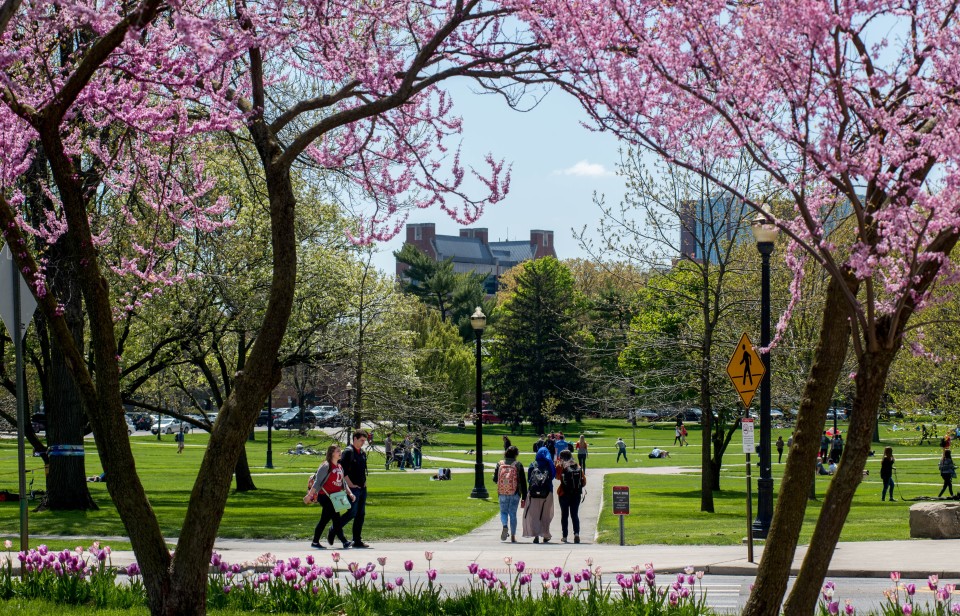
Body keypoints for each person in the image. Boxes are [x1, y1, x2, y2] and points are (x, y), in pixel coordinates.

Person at [305, 444, 355, 550]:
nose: (340, 453)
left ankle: (315, 541)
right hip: (325, 496)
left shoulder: (339, 466)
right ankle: (344, 541)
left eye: (340, 451)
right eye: (337, 451)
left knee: (325, 520)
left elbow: (343, 483)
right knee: (336, 519)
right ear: (332, 453)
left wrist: (350, 493)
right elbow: (318, 482)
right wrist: (309, 495)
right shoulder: (326, 466)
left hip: (336, 497)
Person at [336, 431, 372, 548]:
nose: (363, 443)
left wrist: (364, 483)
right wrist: (350, 485)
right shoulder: (348, 452)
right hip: (352, 488)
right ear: (355, 439)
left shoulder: (362, 452)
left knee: (360, 514)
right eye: (361, 440)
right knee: (352, 512)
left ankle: (357, 540)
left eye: (364, 441)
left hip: (362, 488)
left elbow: (362, 470)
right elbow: (343, 472)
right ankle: (334, 529)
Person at [493, 445, 528, 543]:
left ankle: (505, 526)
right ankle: (513, 536)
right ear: (516, 454)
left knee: (503, 512)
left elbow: (495, 479)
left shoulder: (499, 464)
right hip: (514, 493)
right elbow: (523, 482)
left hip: (502, 492)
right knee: (513, 514)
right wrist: (524, 496)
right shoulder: (518, 464)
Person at [522, 447, 555, 543]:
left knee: (534, 514)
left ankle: (535, 534)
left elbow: (529, 479)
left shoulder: (533, 464)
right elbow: (552, 476)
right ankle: (545, 534)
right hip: (547, 492)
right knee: (545, 515)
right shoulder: (549, 464)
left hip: (533, 493)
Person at [555, 449, 585, 544]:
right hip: (576, 494)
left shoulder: (561, 466)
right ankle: (576, 534)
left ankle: (565, 536)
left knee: (564, 515)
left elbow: (557, 477)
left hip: (564, 493)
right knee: (574, 514)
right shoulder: (577, 465)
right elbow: (584, 481)